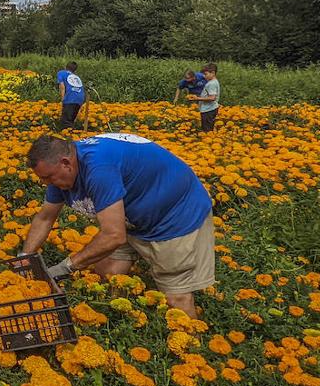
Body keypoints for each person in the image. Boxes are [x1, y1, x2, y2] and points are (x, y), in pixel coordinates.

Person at [23, 133, 215, 316]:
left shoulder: (98, 169)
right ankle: (126, 318)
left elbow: (114, 236)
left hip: (173, 215)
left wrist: (66, 267)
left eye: (48, 177)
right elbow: (45, 218)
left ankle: (191, 342)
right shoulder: (62, 177)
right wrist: (24, 258)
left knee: (176, 297)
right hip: (129, 217)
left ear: (66, 163)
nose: (45, 183)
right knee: (107, 273)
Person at [187, 64, 221, 132]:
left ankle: (208, 141)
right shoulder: (214, 82)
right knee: (209, 128)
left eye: (206, 74)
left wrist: (197, 98)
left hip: (208, 110)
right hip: (211, 109)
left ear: (213, 73)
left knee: (207, 130)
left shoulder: (211, 84)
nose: (204, 76)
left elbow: (212, 98)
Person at [56, 62, 86, 131]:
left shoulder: (61, 73)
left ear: (65, 67)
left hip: (70, 98)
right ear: (75, 70)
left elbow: (62, 86)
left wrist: (63, 99)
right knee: (71, 120)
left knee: (65, 122)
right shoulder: (77, 77)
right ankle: (73, 135)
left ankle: (68, 138)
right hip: (80, 98)